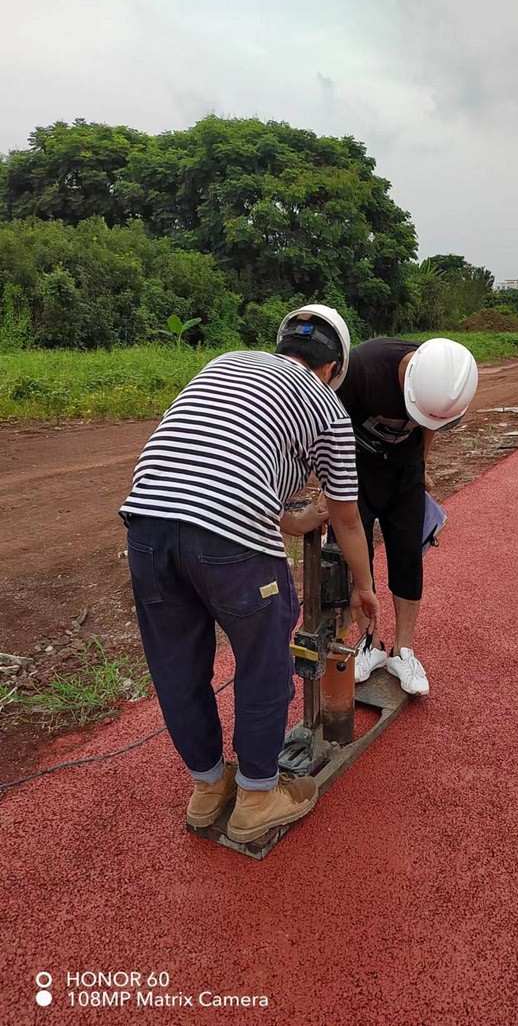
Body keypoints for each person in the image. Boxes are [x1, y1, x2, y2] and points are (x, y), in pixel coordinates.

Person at [119, 305, 378, 843]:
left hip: (147, 527)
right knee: (263, 663)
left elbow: (211, 469)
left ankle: (208, 788)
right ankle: (258, 796)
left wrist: (294, 518)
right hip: (229, 545)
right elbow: (348, 517)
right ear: (335, 367)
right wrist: (364, 586)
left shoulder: (224, 362)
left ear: (282, 345)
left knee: (177, 667)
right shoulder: (328, 406)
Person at [337, 336, 478, 696]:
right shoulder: (363, 369)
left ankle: (403, 651)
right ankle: (371, 645)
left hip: (405, 473)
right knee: (358, 559)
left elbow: (431, 423)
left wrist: (423, 465)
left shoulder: (446, 382)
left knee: (407, 558)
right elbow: (329, 431)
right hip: (357, 471)